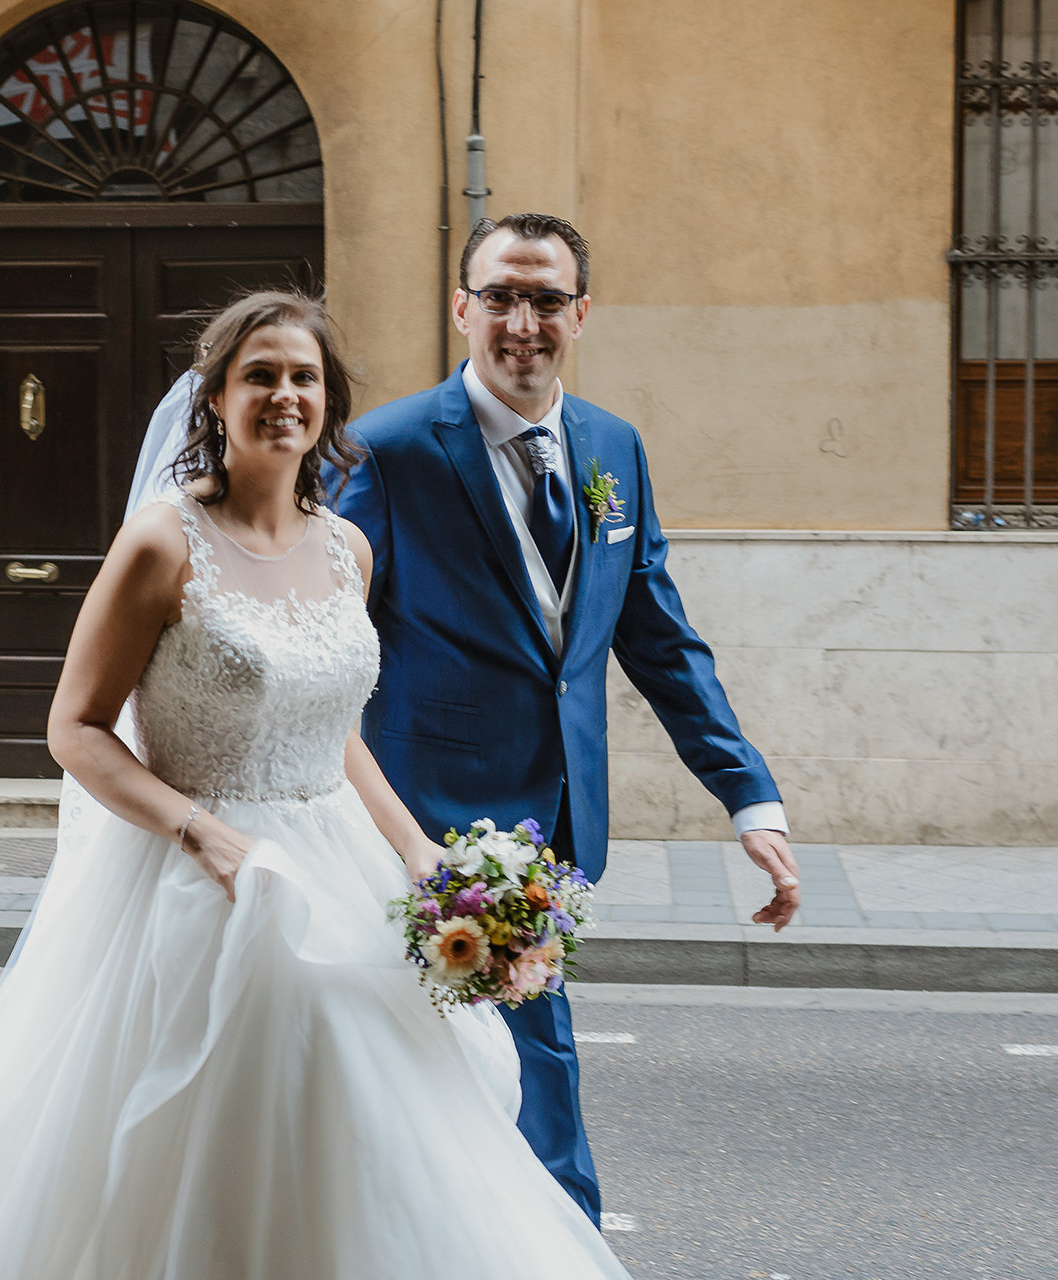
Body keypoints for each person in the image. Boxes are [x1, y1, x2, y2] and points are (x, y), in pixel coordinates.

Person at [0, 290, 633, 1279]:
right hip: (209, 874)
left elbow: (334, 730)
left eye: (304, 377)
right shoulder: (162, 543)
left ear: (328, 400)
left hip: (340, 860)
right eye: (261, 376)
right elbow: (74, 726)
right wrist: (201, 833)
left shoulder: (344, 546)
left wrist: (419, 851)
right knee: (230, 1128)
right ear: (216, 400)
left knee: (375, 1116)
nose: (285, 395)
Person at [329, 212, 801, 1225]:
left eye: (545, 298)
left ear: (581, 314)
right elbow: (330, 642)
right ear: (462, 308)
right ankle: (559, 1241)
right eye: (499, 295)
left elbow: (658, 635)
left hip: (558, 825)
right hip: (428, 824)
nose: (522, 321)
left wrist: (748, 795)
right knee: (509, 1077)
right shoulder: (394, 450)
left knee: (491, 1070)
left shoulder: (612, 448)